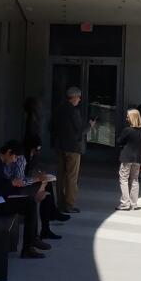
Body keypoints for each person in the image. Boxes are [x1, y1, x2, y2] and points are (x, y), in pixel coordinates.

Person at [0, 142, 47, 259]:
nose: (14, 160)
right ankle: (29, 246)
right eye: (15, 157)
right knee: (30, 204)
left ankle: (32, 241)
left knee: (29, 201)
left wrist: (13, 185)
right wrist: (12, 183)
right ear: (8, 152)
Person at [7, 138, 67, 240]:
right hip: (14, 190)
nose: (37, 152)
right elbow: (19, 180)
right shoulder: (21, 158)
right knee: (36, 199)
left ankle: (48, 222)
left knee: (46, 189)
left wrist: (37, 175)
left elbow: (25, 174)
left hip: (18, 185)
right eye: (36, 149)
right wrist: (36, 178)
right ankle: (37, 235)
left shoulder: (30, 157)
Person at [50, 86, 89, 214]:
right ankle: (69, 204)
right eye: (78, 97)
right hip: (73, 147)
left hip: (60, 146)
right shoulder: (73, 111)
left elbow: (51, 127)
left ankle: (60, 203)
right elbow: (80, 130)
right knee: (72, 176)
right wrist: (90, 126)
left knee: (60, 176)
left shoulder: (58, 109)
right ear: (74, 97)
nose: (79, 99)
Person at [115, 109, 141, 211]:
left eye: (128, 116)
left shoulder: (127, 130)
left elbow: (119, 141)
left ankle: (125, 203)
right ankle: (134, 204)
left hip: (127, 157)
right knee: (134, 180)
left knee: (123, 179)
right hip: (137, 159)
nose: (126, 118)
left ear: (133, 118)